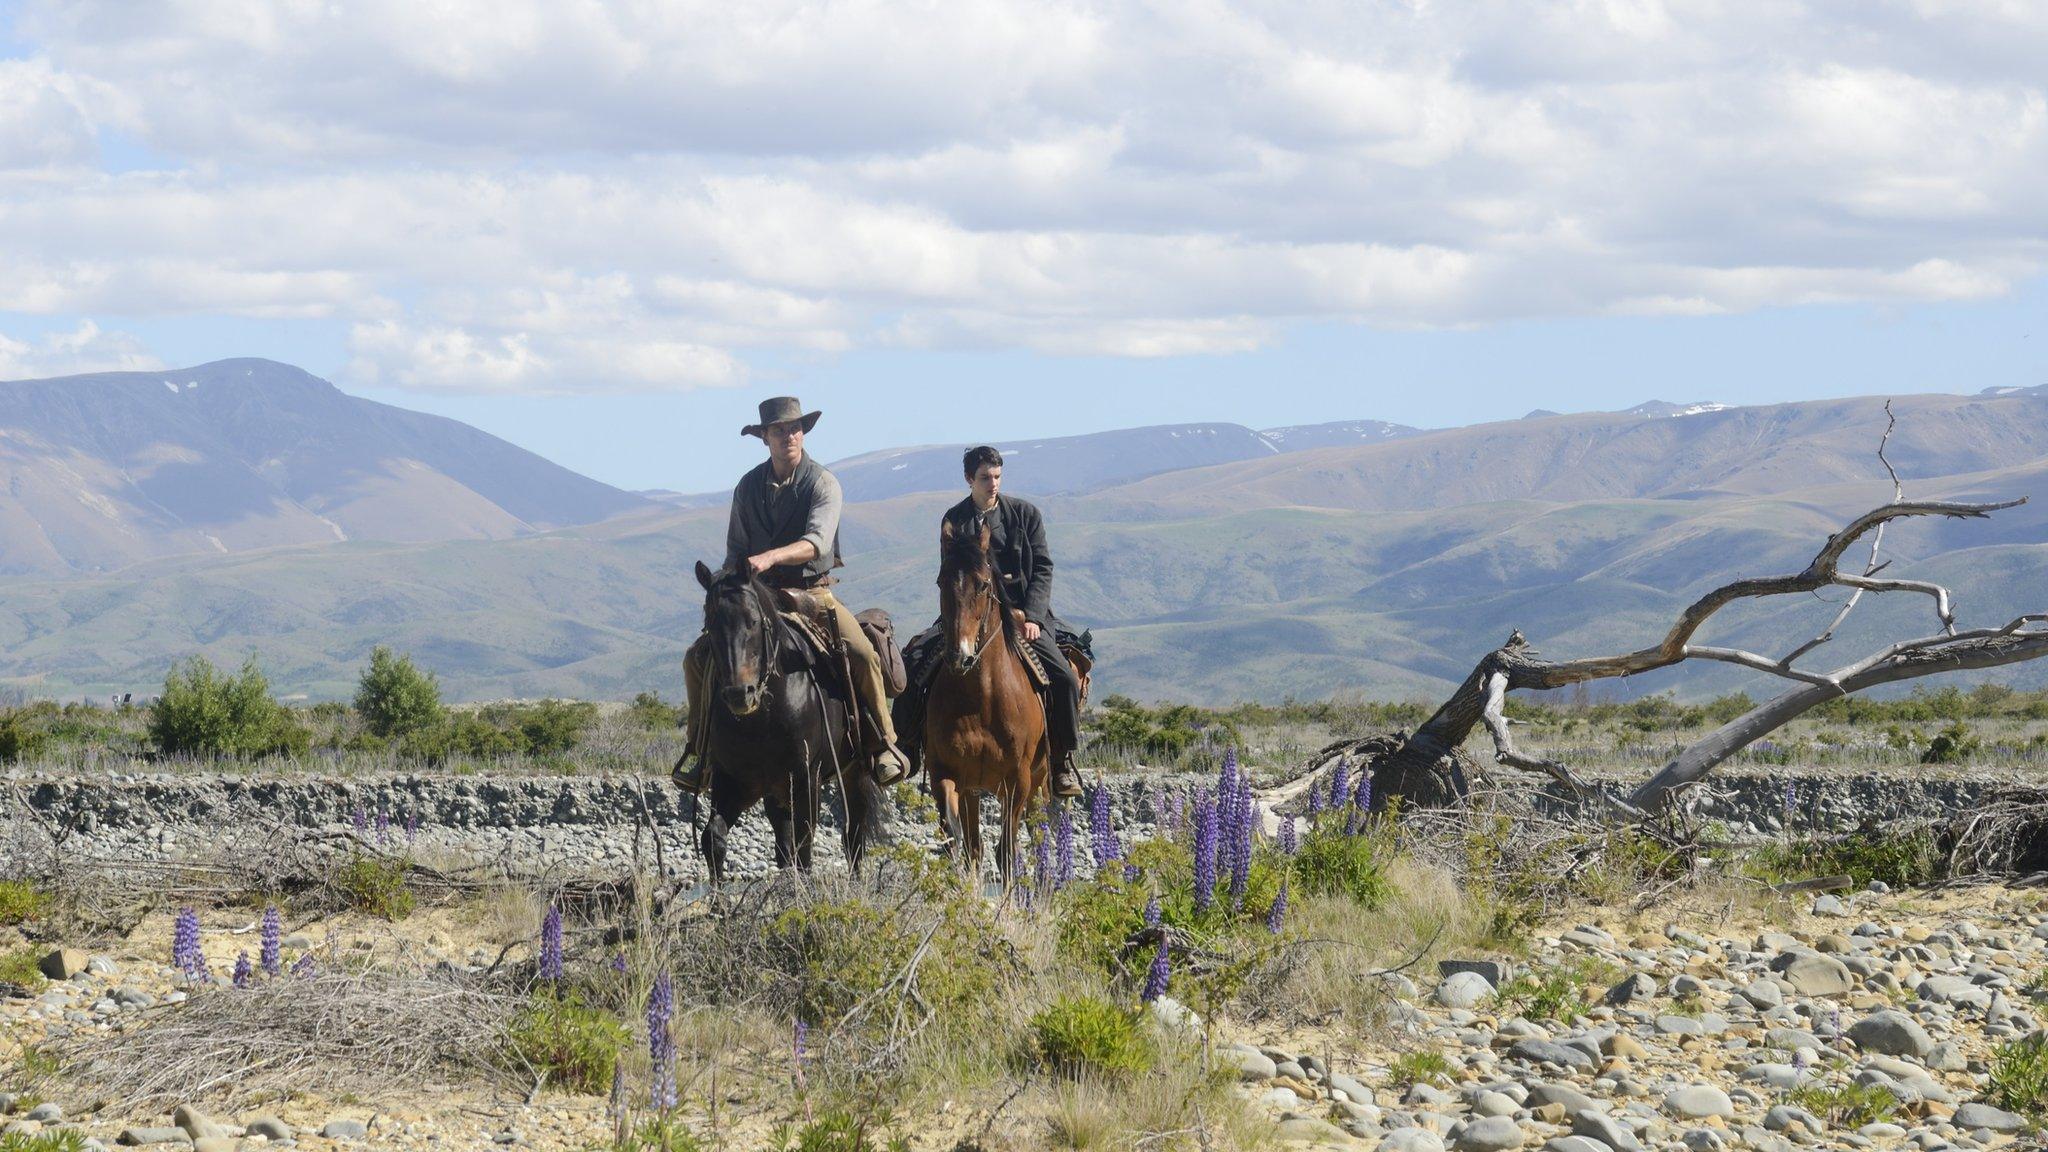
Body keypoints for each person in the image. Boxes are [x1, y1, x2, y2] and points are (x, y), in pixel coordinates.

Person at [674, 396, 909, 793]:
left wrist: (771, 556)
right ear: (764, 437)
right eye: (780, 430)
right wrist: (726, 584)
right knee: (696, 658)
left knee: (861, 652)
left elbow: (818, 542)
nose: (789, 436)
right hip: (754, 595)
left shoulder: (822, 482)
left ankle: (884, 743)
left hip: (810, 594)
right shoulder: (747, 487)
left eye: (795, 428)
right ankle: (700, 751)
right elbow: (735, 550)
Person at [926, 445, 1085, 798]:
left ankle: (1061, 760)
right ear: (970, 479)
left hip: (1023, 617)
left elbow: (1042, 567)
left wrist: (1033, 616)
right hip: (969, 616)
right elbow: (952, 576)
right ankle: (912, 747)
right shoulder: (954, 520)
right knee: (917, 666)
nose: (993, 484)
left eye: (997, 476)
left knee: (1063, 679)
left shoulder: (1026, 515)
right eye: (985, 477)